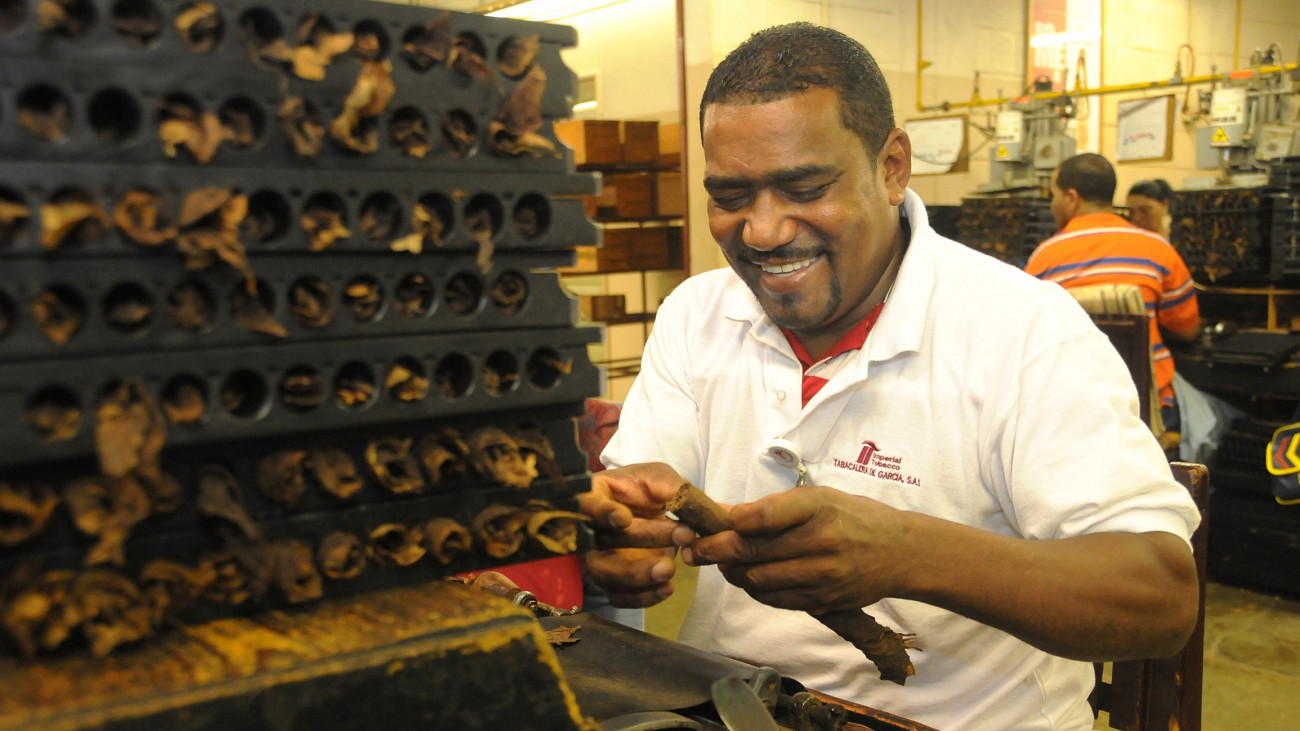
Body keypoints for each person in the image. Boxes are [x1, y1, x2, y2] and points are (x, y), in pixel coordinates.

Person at [578, 23, 1200, 731]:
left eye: (805, 187)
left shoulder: (1026, 331)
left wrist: (909, 553)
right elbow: (638, 500)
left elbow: (1160, 601)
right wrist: (621, 538)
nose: (763, 231)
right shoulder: (696, 314)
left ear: (892, 167)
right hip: (734, 706)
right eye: (730, 196)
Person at [1025, 155, 1201, 434]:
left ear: (1072, 198)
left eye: (1053, 196)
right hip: (1149, 413)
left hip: (1075, 414)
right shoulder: (1158, 249)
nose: (1052, 205)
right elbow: (1187, 330)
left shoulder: (1043, 259)